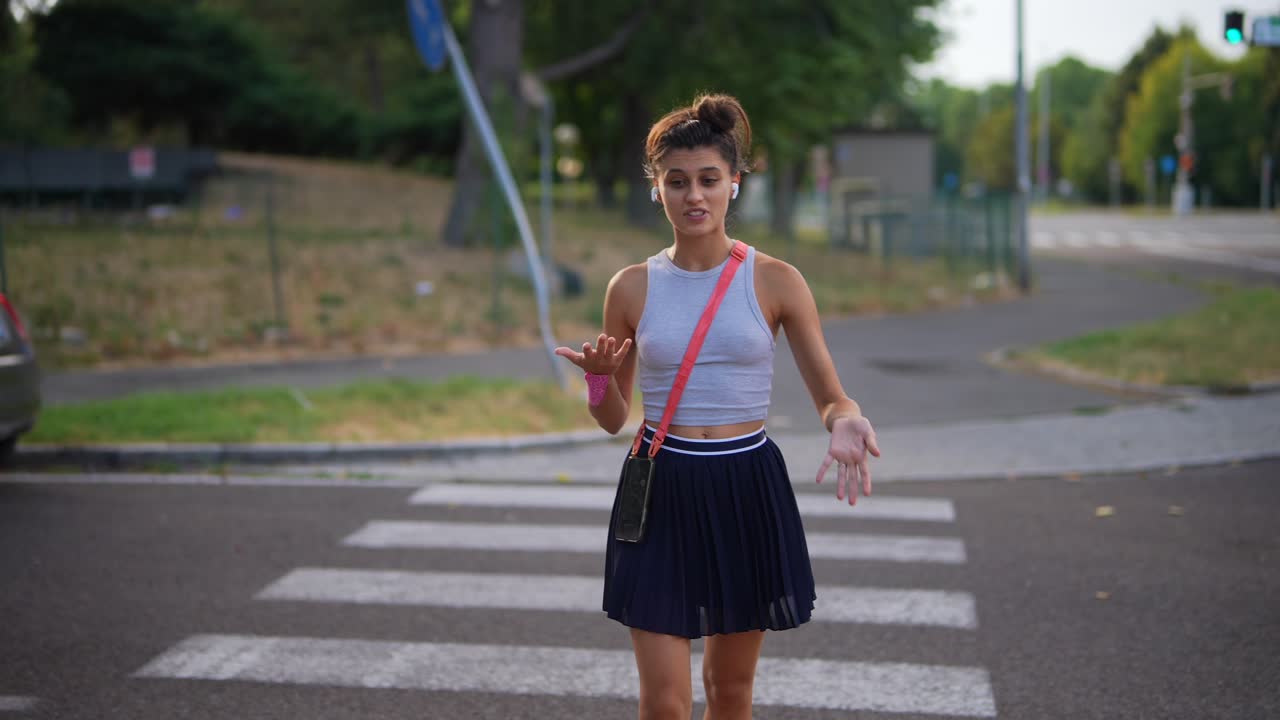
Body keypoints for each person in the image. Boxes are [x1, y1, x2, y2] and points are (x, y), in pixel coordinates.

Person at [554, 93, 881, 720]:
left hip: (743, 484)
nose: (694, 196)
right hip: (660, 486)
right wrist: (598, 382)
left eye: (709, 179)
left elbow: (831, 396)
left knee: (730, 693)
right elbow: (612, 417)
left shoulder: (777, 280)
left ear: (735, 182)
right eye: (677, 182)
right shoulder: (631, 286)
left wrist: (846, 420)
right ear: (657, 189)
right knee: (665, 701)